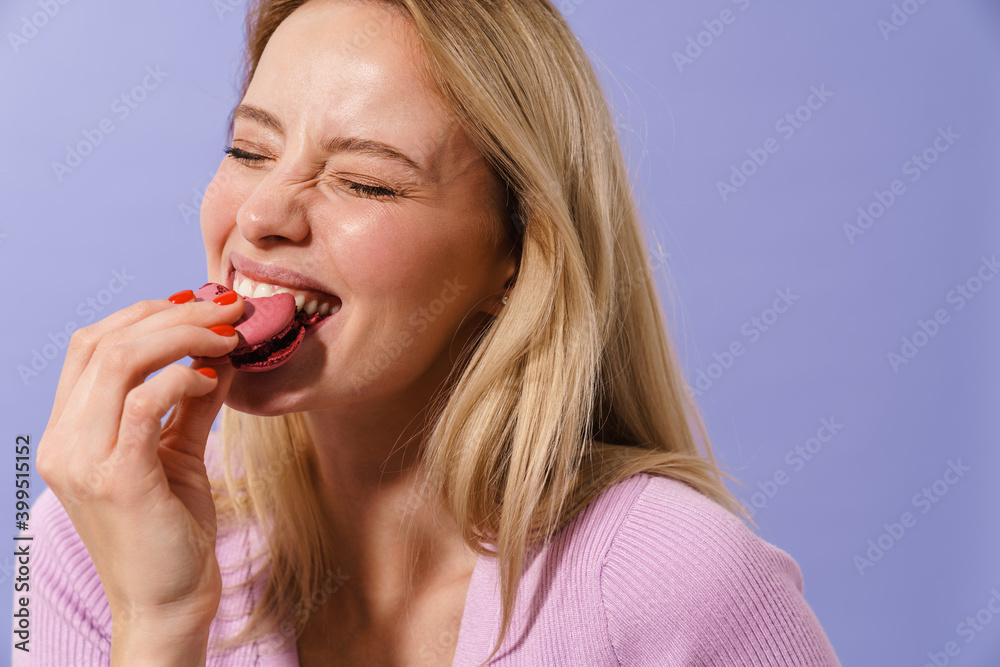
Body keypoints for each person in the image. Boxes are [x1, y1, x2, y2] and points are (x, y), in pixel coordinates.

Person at [19, 0, 841, 665]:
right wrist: (158, 623)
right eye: (249, 149)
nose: (261, 214)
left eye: (365, 182)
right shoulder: (90, 540)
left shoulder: (674, 580)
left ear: (513, 259)